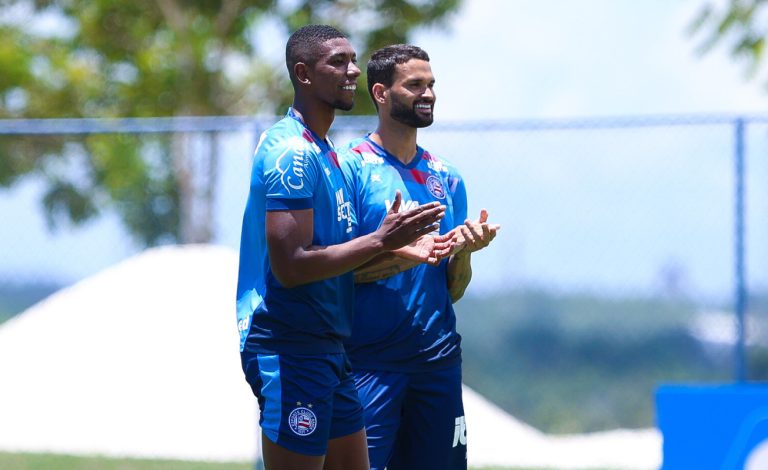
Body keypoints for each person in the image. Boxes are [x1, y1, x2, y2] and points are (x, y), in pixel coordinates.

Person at [236, 28, 447, 470]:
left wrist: (399, 250)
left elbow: (334, 253)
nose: (352, 70)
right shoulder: (291, 152)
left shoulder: (327, 153)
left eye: (353, 59)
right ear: (303, 73)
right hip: (289, 346)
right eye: (337, 62)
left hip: (330, 350)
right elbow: (292, 266)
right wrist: (381, 239)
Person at [338, 44, 500, 470]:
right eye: (414, 85)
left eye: (431, 85)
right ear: (380, 92)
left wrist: (462, 252)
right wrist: (406, 253)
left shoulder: (446, 177)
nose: (427, 93)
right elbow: (335, 273)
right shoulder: (350, 169)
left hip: (436, 363)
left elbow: (454, 289)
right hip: (367, 363)